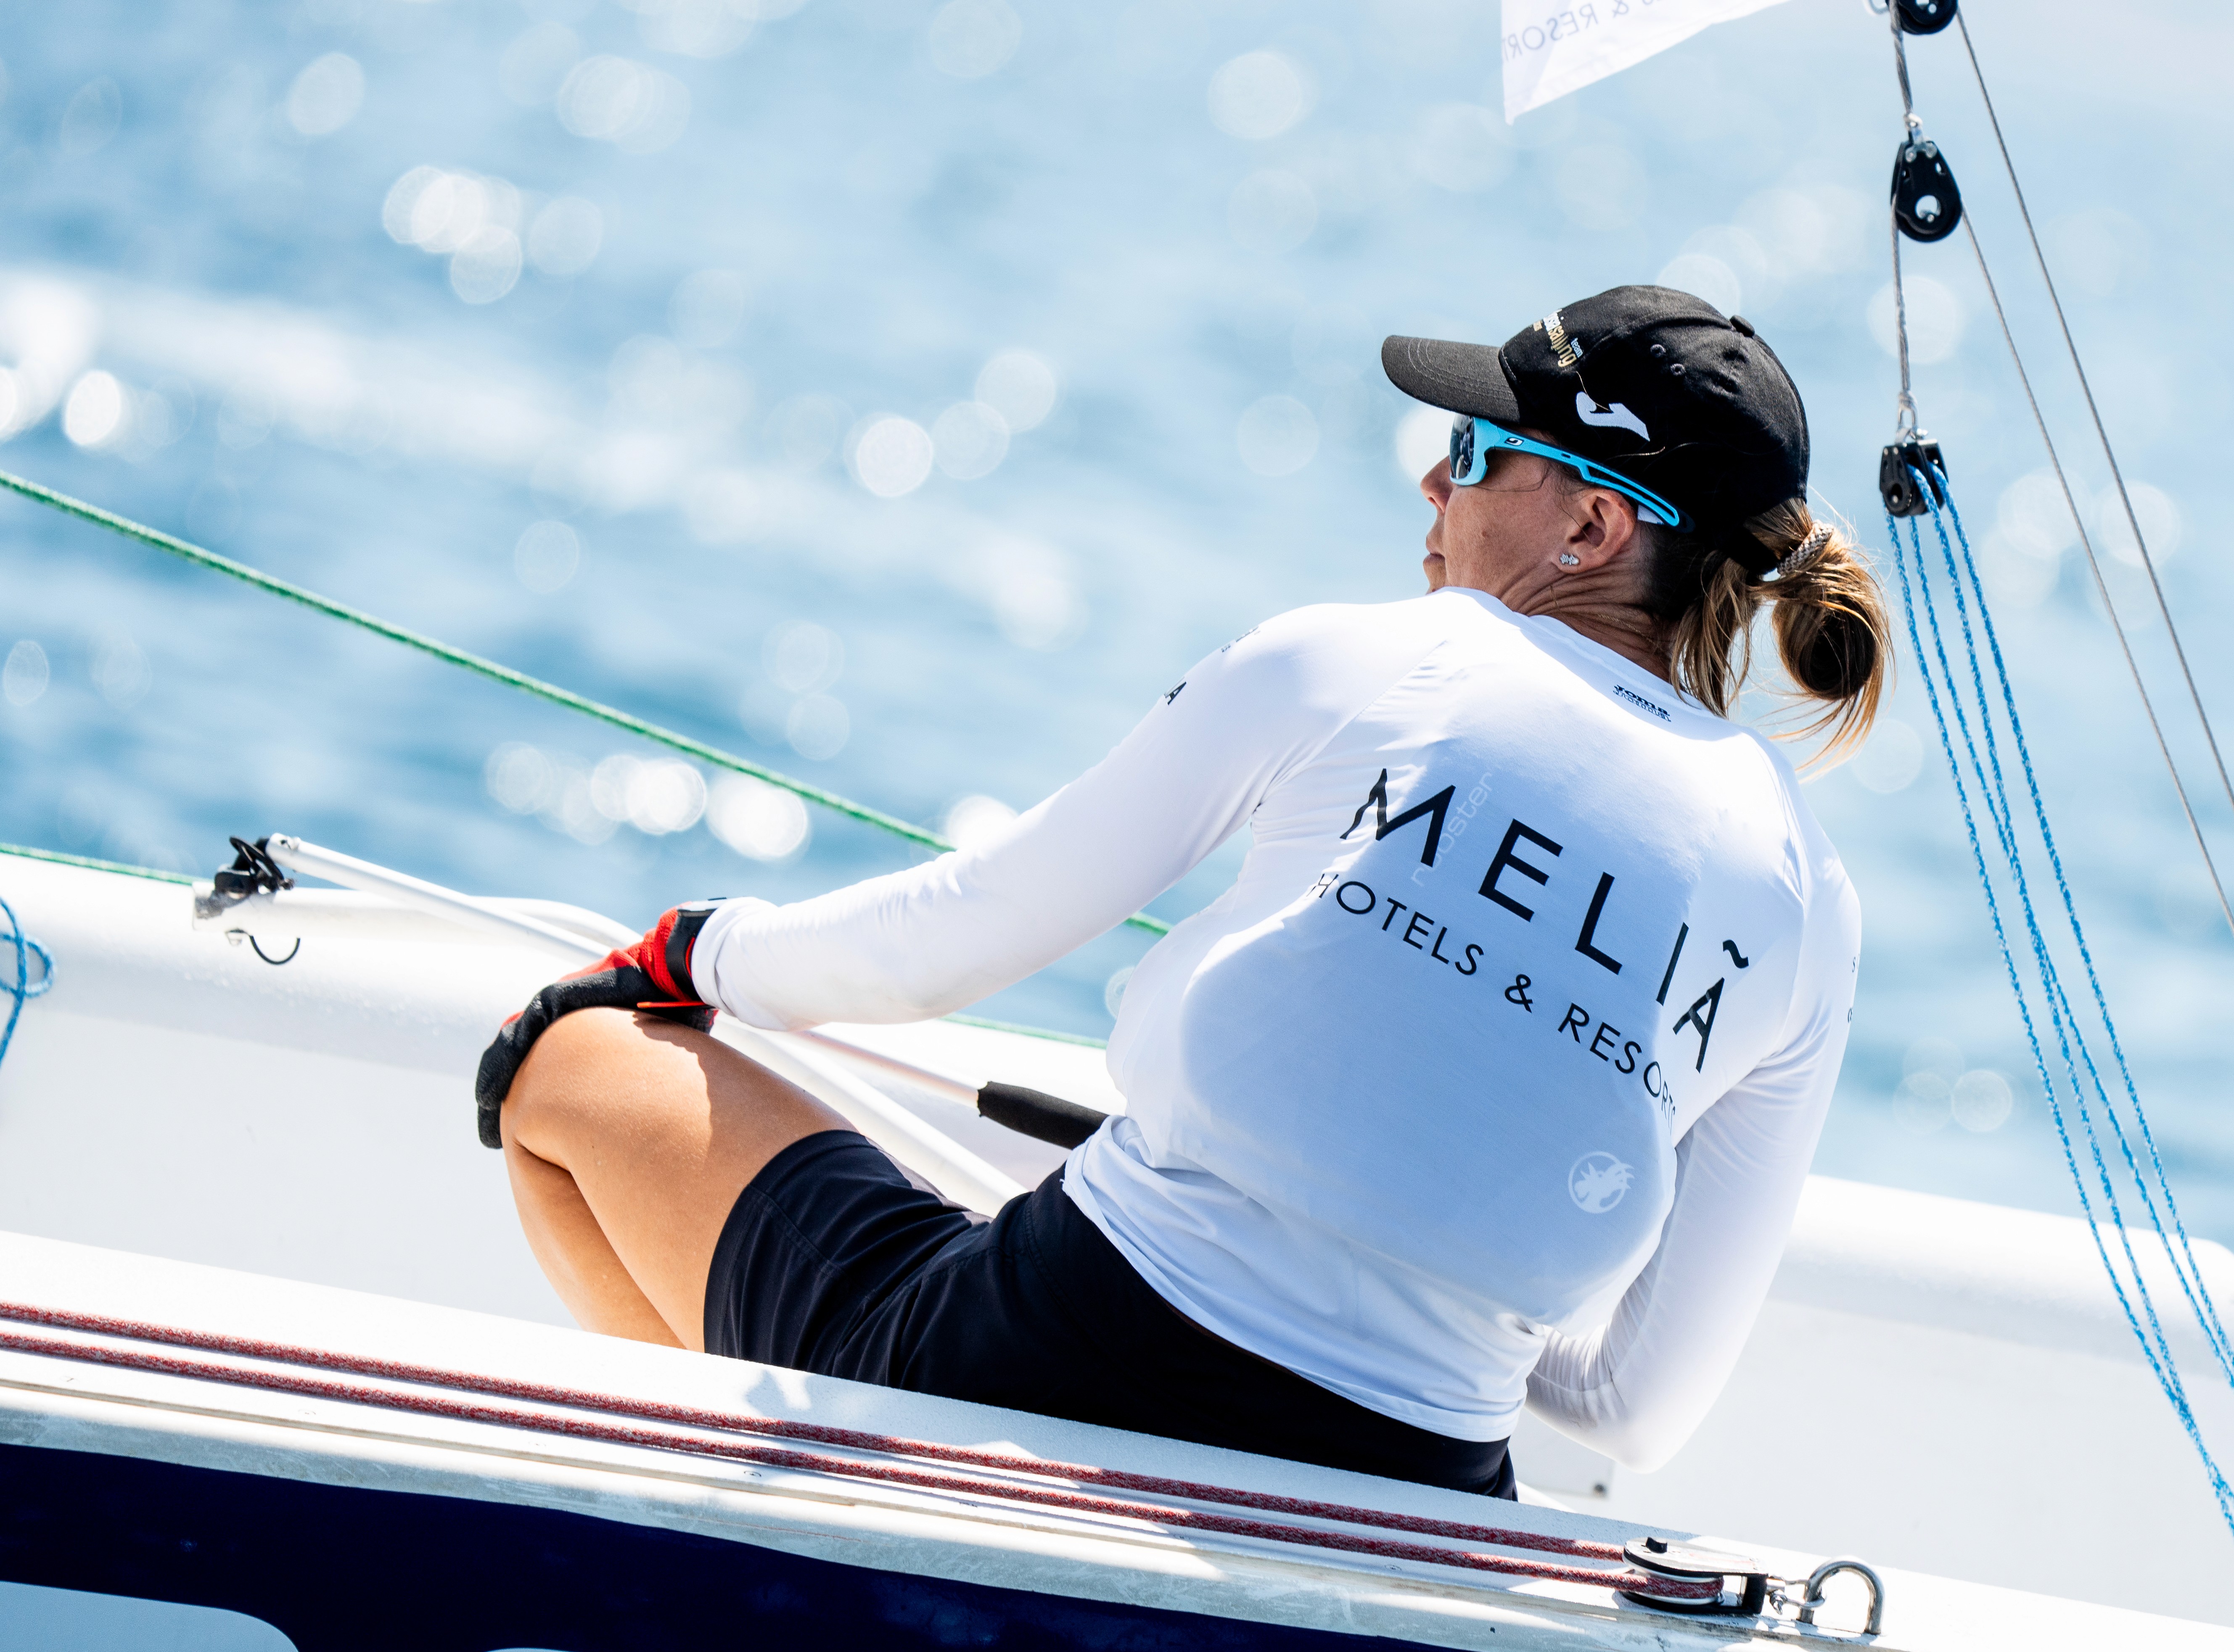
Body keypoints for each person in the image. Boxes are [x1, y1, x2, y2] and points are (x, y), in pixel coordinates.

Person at [478, 285, 1887, 1499]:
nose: (1431, 486)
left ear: (1587, 527)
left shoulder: (1371, 659)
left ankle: (748, 1529)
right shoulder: (1813, 898)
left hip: (1039, 1365)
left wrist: (690, 953)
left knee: (568, 1068)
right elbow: (1639, 1411)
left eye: (1472, 451)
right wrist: (1436, 1286)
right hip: (1422, 1504)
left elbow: (948, 947)